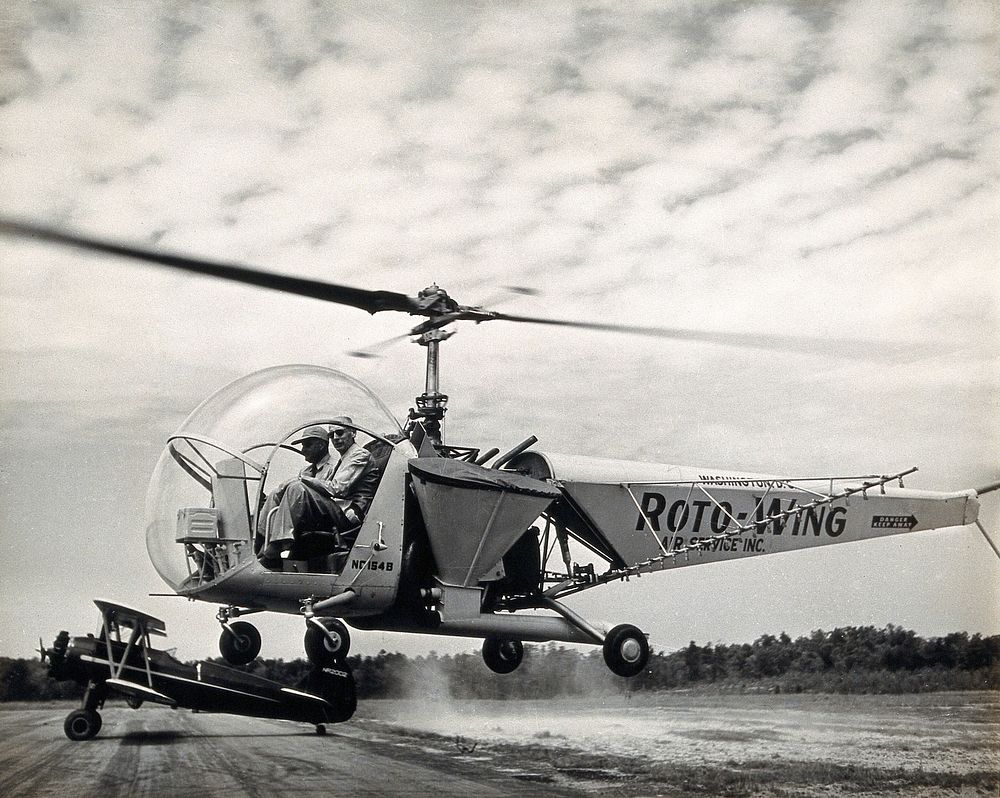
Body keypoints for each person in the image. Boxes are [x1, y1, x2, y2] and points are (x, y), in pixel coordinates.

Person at [258, 418, 372, 566]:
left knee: (296, 488)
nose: (335, 438)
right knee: (276, 492)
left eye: (339, 433)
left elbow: (337, 488)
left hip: (349, 513)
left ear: (353, 432)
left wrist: (301, 480)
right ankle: (262, 541)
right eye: (332, 435)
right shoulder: (344, 458)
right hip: (335, 508)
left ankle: (277, 546)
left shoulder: (359, 455)